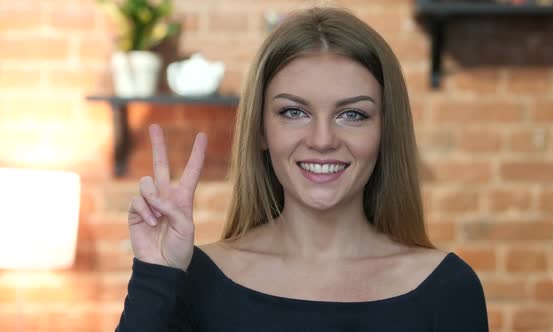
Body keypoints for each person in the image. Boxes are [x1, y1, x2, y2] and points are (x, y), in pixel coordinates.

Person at [116, 6, 488, 332]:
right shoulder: (193, 278)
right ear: (261, 130)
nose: (322, 139)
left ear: (385, 131)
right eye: (294, 112)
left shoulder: (448, 288)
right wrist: (155, 275)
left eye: (352, 114)